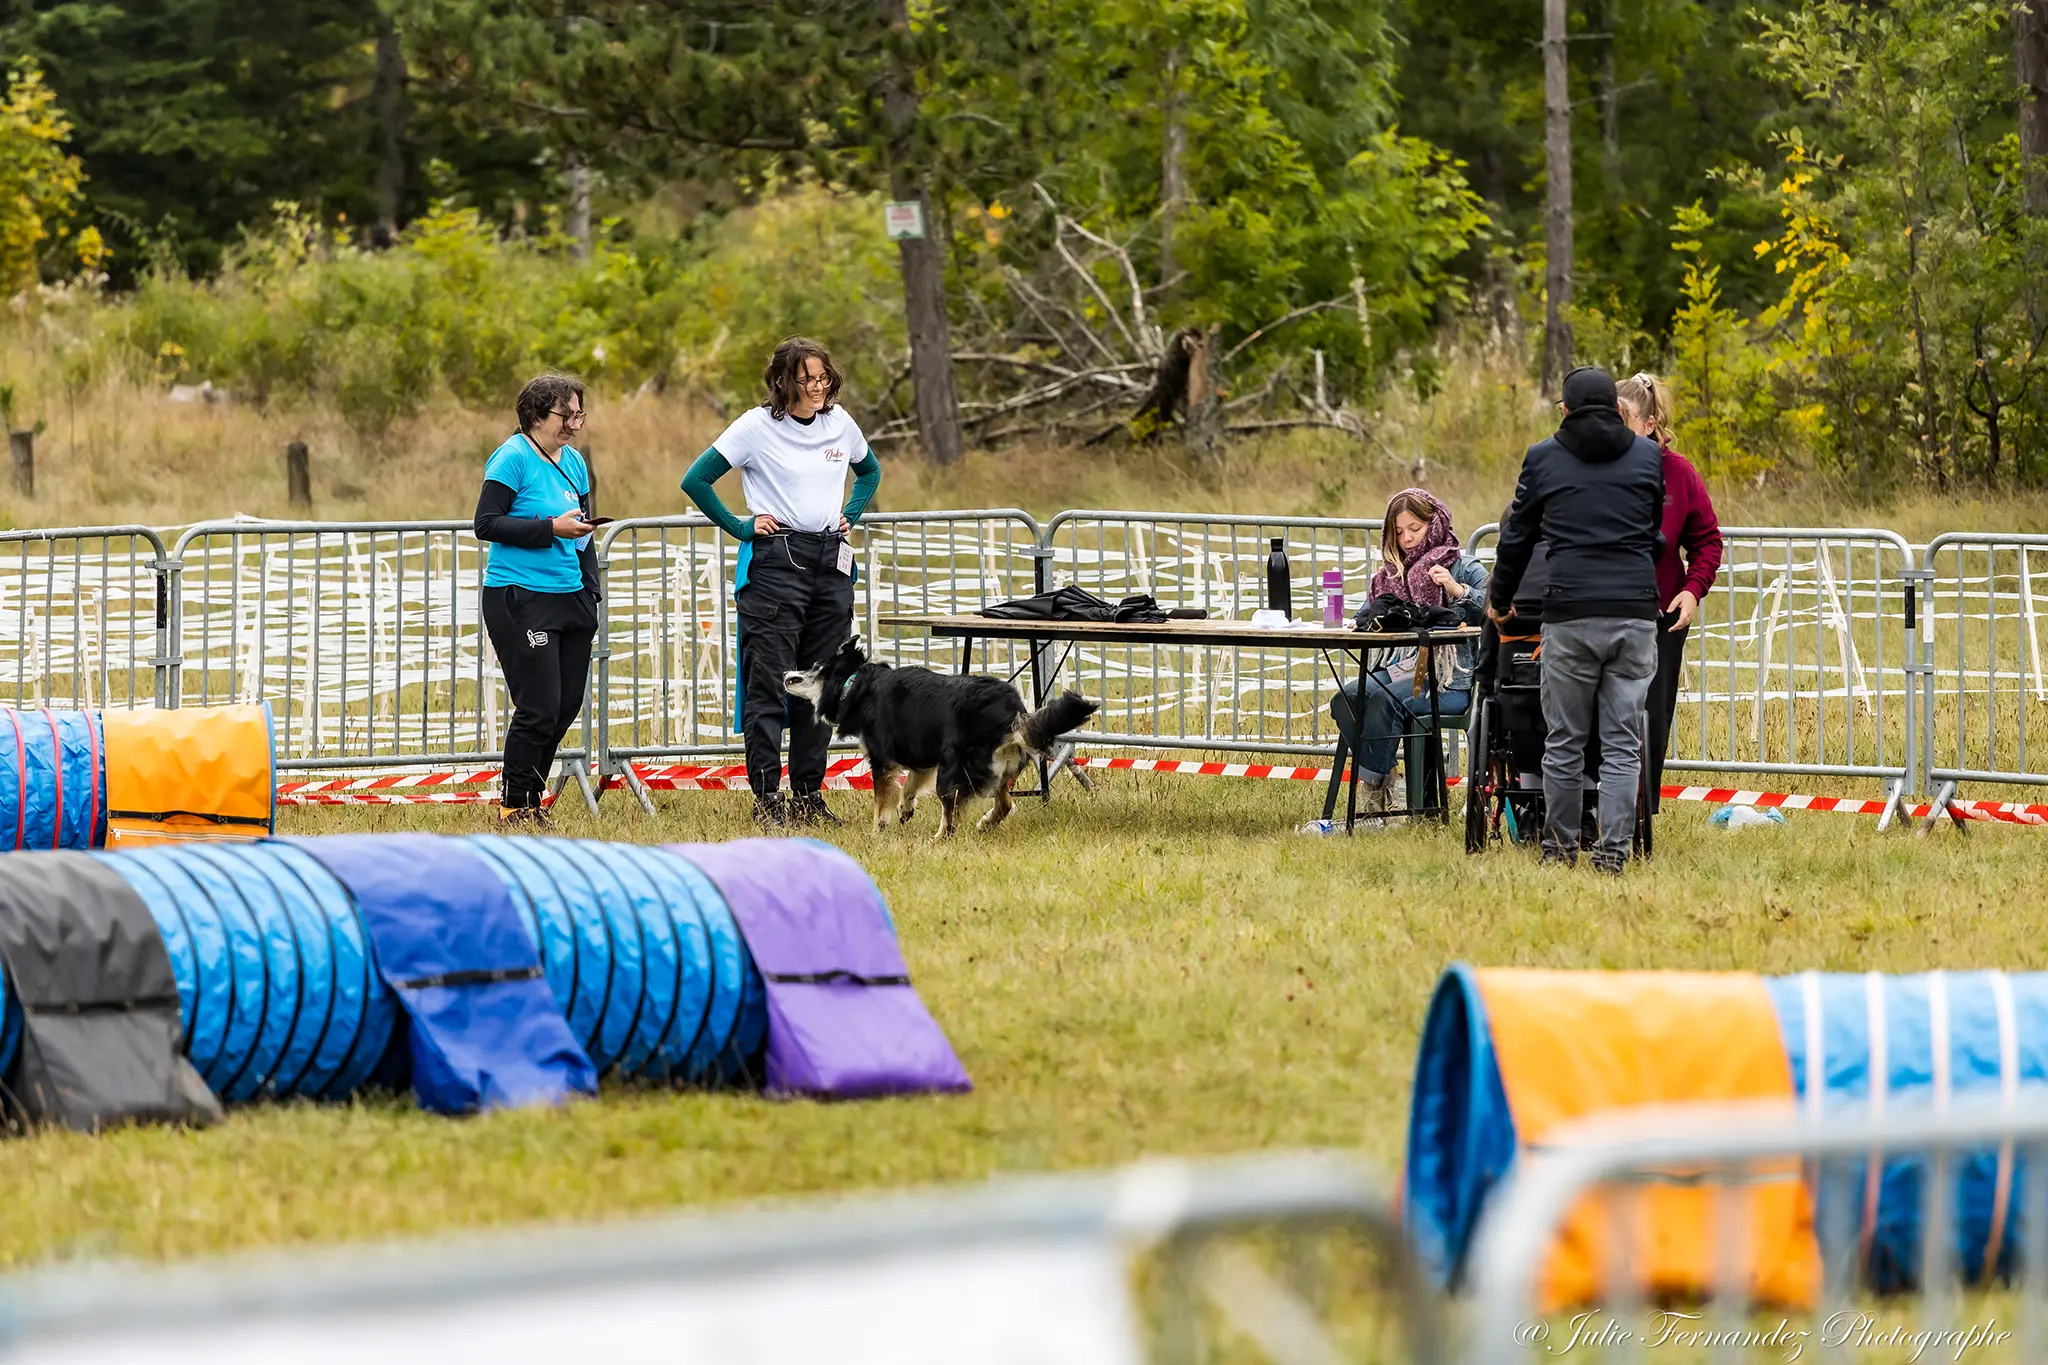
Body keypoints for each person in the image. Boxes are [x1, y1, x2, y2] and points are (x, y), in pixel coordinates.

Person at [681, 336, 883, 830]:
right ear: (782, 381)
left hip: (830, 563)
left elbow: (870, 471)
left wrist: (849, 514)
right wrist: (741, 525)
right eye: (806, 379)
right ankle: (768, 797)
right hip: (776, 565)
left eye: (823, 378)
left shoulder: (840, 422)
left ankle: (809, 795)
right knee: (770, 686)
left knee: (821, 686)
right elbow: (696, 480)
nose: (817, 388)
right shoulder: (755, 426)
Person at [1485, 366, 1664, 872]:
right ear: (1616, 408)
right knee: (1622, 745)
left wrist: (1499, 599)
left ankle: (1559, 851)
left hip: (1569, 614)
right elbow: (1652, 532)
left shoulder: (1543, 458)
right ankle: (1612, 855)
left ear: (1564, 410)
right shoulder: (1649, 456)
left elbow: (1517, 537)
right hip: (1633, 615)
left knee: (1563, 740)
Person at [474, 372, 600, 827]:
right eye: (565, 414)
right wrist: (550, 528)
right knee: (539, 706)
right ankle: (516, 803)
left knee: (565, 706)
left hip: (571, 597)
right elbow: (486, 523)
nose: (573, 424)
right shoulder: (512, 458)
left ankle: (530, 796)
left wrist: (592, 593)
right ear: (535, 414)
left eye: (578, 414)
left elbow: (583, 530)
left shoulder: (575, 463)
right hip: (519, 596)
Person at [1328, 488, 1489, 819]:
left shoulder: (1463, 566)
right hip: (1402, 669)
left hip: (1450, 683)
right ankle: (1388, 779)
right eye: (1398, 532)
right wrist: (1359, 623)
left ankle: (1381, 801)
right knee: (1346, 697)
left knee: (1385, 698)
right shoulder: (1390, 574)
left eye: (1414, 529)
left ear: (1435, 522)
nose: (1407, 539)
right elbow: (1367, 613)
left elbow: (1495, 608)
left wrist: (1458, 591)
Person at [1615, 372, 1724, 811]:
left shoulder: (1678, 474)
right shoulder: (1591, 468)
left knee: (1651, 715)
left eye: (1622, 418)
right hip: (1599, 609)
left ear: (1650, 422)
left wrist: (1693, 589)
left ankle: (1641, 812)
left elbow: (1707, 540)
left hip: (1660, 615)